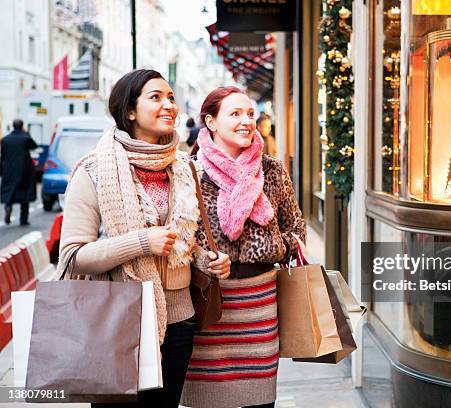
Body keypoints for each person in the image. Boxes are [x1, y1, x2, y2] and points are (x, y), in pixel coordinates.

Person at [57, 69, 231, 408]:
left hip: (178, 320)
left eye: (171, 98)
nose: (168, 105)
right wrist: (140, 242)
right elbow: (73, 255)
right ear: (130, 111)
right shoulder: (93, 170)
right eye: (156, 97)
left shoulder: (183, 167)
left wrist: (205, 260)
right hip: (119, 321)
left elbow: (185, 241)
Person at [181, 87, 305, 408]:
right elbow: (179, 236)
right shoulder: (190, 173)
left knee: (259, 400)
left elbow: (296, 226)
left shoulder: (273, 170)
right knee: (210, 399)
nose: (246, 121)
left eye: (249, 114)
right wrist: (202, 259)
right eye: (234, 114)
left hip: (260, 302)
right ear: (210, 121)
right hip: (211, 302)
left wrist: (278, 244)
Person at [0, 119, 37, 226]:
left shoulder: (5, 140)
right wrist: (26, 133)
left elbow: (3, 155)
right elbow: (34, 145)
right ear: (22, 126)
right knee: (25, 195)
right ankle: (23, 220)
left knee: (9, 192)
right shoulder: (25, 138)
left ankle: (8, 206)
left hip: (9, 170)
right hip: (24, 171)